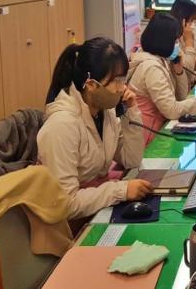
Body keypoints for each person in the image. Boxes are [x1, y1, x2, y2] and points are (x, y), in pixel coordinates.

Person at [37, 38, 152, 220]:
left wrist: (131, 111)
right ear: (91, 85)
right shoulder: (62, 125)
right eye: (117, 81)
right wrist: (120, 191)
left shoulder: (104, 112)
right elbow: (66, 203)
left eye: (123, 79)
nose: (123, 88)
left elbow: (132, 160)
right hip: (67, 224)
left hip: (96, 208)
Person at [128, 13, 196, 144]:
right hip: (147, 138)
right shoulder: (152, 68)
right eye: (175, 41)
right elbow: (172, 110)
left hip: (157, 130)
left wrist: (179, 71)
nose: (177, 44)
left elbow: (181, 97)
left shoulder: (162, 60)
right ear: (164, 41)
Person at [169, 0, 196, 87]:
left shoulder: (180, 37)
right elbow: (187, 70)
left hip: (186, 86)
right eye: (191, 20)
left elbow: (184, 67)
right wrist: (189, 40)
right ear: (183, 20)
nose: (192, 24)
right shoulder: (172, 40)